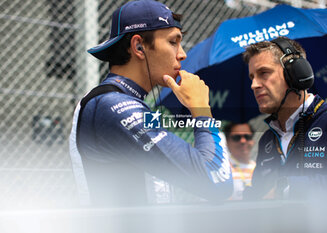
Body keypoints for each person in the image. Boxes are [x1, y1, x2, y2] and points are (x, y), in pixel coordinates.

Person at [69, 0, 232, 207]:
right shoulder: (112, 105)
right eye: (173, 42)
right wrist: (201, 109)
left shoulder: (126, 102)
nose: (182, 54)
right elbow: (216, 179)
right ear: (138, 46)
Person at [242, 36, 327, 200]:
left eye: (264, 73)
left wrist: (285, 189)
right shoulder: (267, 140)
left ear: (296, 74)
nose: (254, 85)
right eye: (252, 77)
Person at [223, 122, 256, 200]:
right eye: (236, 137)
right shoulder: (222, 169)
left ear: (252, 141)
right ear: (227, 142)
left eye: (247, 137)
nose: (243, 141)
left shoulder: (259, 168)